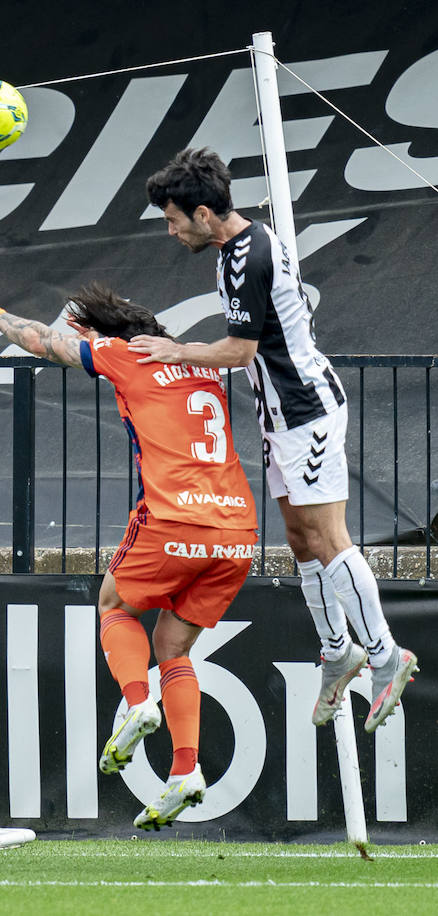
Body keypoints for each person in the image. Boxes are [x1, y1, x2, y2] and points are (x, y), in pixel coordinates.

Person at [139, 148, 418, 733]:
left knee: (327, 535)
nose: (169, 231)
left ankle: (387, 656)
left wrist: (177, 350)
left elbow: (239, 352)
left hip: (306, 410)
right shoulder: (232, 249)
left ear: (205, 214)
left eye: (172, 220)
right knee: (299, 539)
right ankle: (337, 651)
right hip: (279, 416)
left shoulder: (248, 256)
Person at [0, 275, 258, 830]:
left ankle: (136, 702)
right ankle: (185, 771)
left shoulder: (124, 355)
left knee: (114, 606)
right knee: (173, 646)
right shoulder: (201, 363)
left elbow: (38, 342)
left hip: (175, 516)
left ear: (98, 333)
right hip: (237, 533)